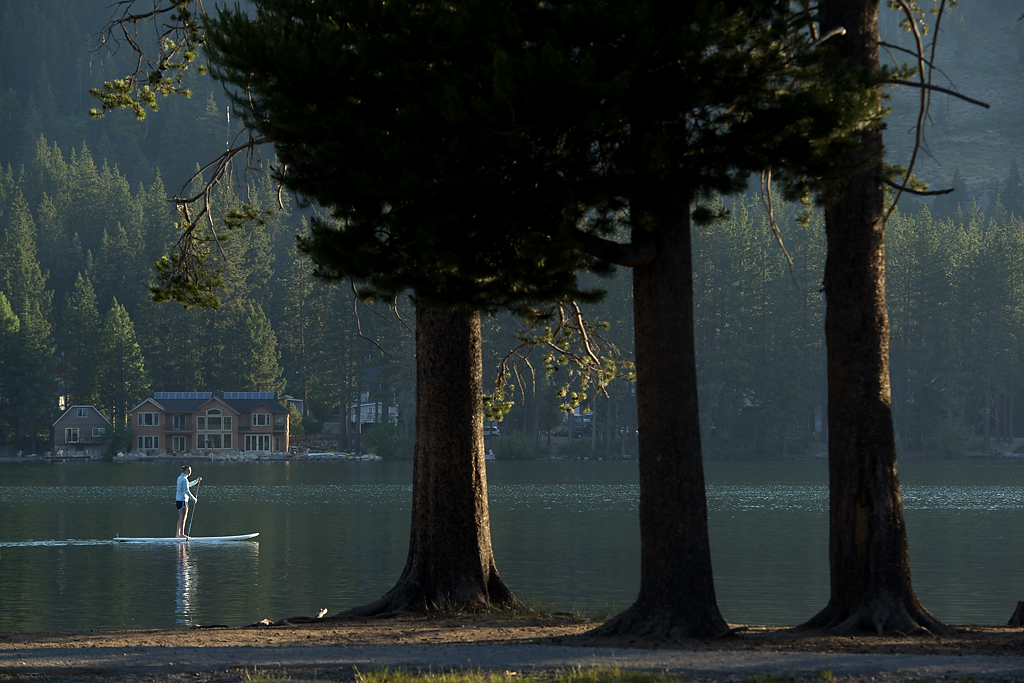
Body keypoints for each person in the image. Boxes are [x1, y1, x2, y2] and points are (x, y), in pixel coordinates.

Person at [175, 465, 202, 538]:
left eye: (190, 470)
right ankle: (182, 534)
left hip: (178, 500)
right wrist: (193, 499)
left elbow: (188, 485)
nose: (190, 472)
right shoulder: (184, 479)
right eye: (188, 470)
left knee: (180, 517)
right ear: (184, 471)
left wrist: (196, 481)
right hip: (183, 500)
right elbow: (187, 491)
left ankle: (178, 534)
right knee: (183, 517)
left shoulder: (180, 478)